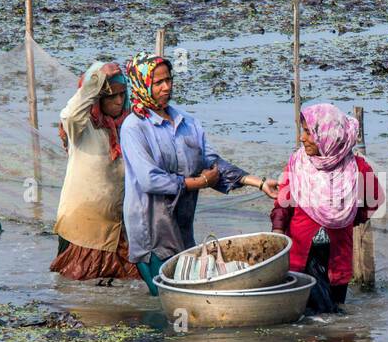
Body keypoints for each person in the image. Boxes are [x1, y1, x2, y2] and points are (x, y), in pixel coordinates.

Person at [118, 52, 278, 295]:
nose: (166, 87)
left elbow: (211, 162)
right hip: (151, 226)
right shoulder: (134, 127)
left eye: (168, 80)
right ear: (142, 85)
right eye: (158, 83)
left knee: (187, 289)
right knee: (168, 295)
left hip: (181, 222)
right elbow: (150, 180)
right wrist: (200, 182)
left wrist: (258, 182)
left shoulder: (187, 123)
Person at [270, 104, 383, 312]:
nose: (302, 138)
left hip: (337, 261)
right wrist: (277, 235)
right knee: (305, 322)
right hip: (299, 259)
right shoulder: (297, 164)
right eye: (303, 131)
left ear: (327, 135)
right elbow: (283, 204)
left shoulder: (357, 167)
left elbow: (375, 200)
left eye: (308, 132)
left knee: (335, 324)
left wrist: (349, 217)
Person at [50, 61, 141, 285]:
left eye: (122, 95)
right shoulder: (82, 128)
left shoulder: (128, 126)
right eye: (111, 96)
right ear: (98, 99)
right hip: (83, 225)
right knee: (77, 286)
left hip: (117, 224)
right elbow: (71, 115)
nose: (119, 101)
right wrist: (95, 81)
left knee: (124, 290)